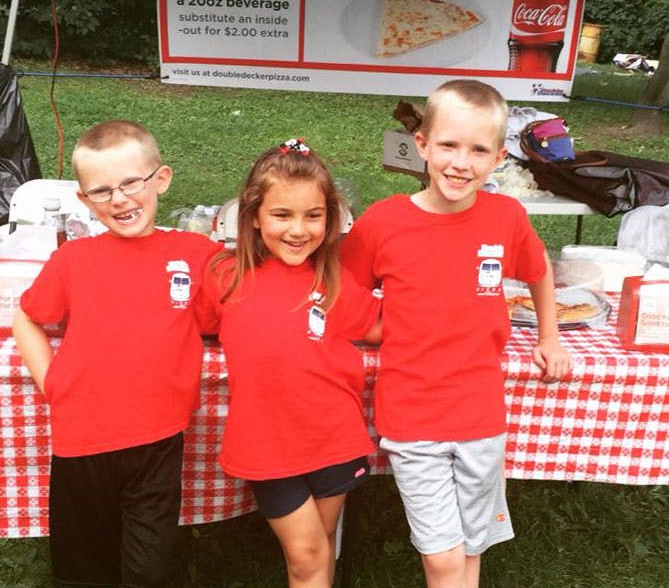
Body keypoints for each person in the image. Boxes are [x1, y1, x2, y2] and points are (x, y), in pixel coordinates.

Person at [341, 80, 571, 588]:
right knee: (443, 558)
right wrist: (381, 327)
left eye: (478, 150)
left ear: (498, 158)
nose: (460, 162)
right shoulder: (383, 223)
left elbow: (538, 271)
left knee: (470, 546)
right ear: (421, 144)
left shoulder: (506, 217)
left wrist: (549, 336)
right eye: (448, 145)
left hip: (481, 416)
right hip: (413, 418)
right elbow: (344, 292)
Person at [13, 120, 220, 588]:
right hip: (80, 441)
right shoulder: (74, 259)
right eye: (102, 191)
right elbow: (25, 316)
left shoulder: (197, 253)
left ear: (160, 179)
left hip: (157, 440)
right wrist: (50, 382)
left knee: (149, 568)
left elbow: (219, 321)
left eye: (131, 183)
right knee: (83, 567)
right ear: (84, 201)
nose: (120, 199)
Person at [196, 138, 382, 588]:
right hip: (267, 444)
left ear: (330, 219)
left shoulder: (333, 279)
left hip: (334, 438)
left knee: (321, 546)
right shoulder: (225, 274)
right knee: (307, 554)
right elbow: (194, 322)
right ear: (254, 216)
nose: (299, 230)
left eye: (313, 216)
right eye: (282, 215)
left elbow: (381, 327)